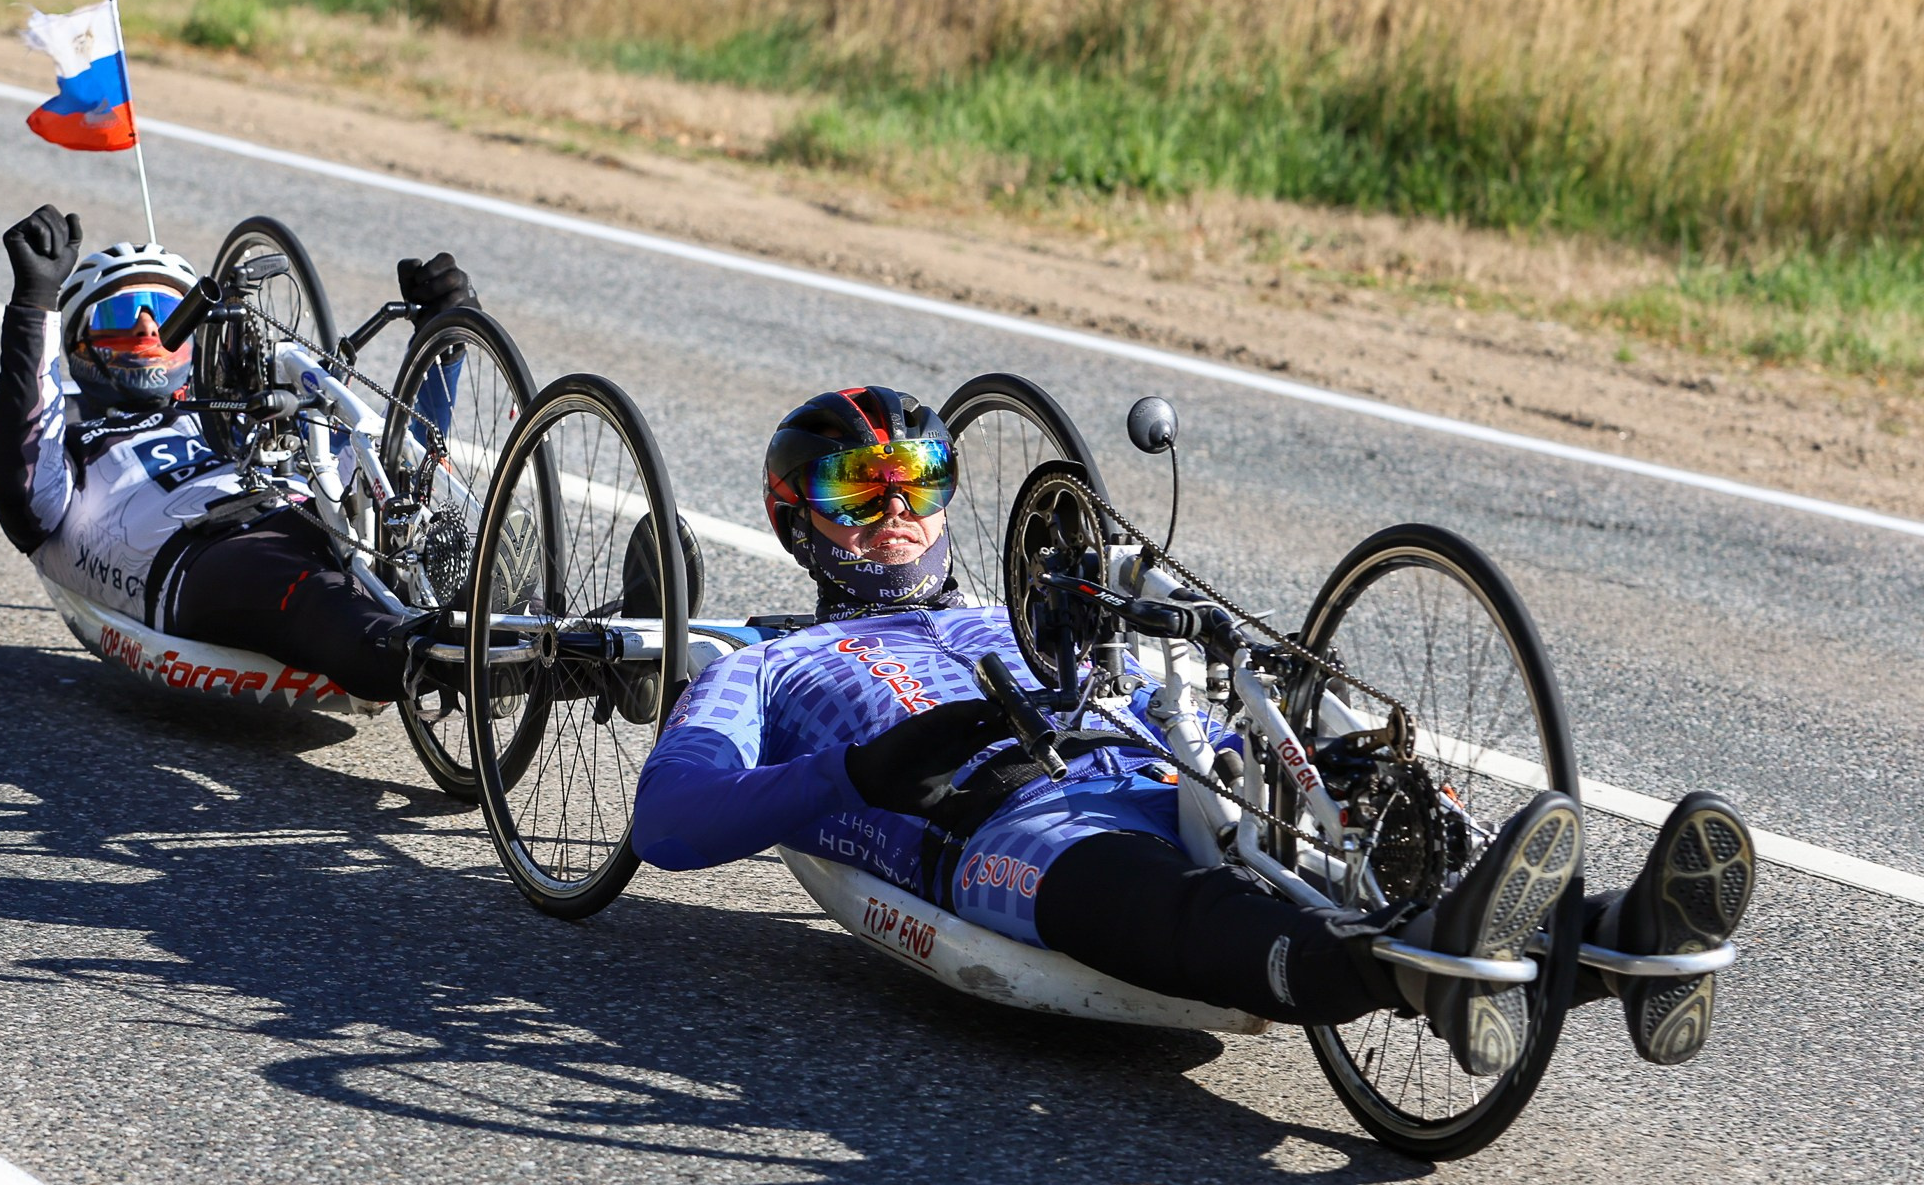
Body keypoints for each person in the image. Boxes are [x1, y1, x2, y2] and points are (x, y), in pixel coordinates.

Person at [632, 386, 1755, 1075]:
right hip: (1005, 829)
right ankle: (1415, 971)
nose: (898, 520)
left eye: (917, 488)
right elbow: (668, 818)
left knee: (1332, 797)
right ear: (796, 516)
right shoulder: (772, 663)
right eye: (859, 495)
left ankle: (1626, 932)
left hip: (1175, 765)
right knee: (1163, 897)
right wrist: (857, 769)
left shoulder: (1011, 603)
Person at [0, 204, 478, 704]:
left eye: (165, 310)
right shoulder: (66, 443)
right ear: (76, 341)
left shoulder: (230, 413)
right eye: (117, 313)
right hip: (200, 553)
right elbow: (20, 493)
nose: (146, 329)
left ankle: (534, 622)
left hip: (309, 514)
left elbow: (387, 468)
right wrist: (34, 301)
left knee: (403, 511)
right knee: (313, 592)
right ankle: (428, 656)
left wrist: (440, 347)